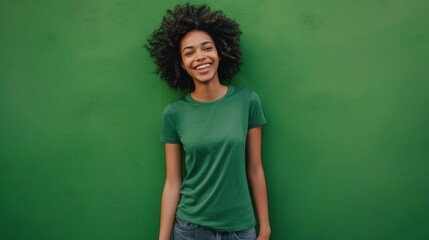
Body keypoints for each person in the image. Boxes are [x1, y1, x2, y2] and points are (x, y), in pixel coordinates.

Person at [145, 3, 271, 240]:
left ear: (220, 53)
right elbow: (173, 182)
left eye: (207, 48)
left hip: (240, 229)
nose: (200, 57)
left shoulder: (247, 102)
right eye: (189, 52)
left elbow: (255, 168)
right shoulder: (174, 113)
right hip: (191, 229)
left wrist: (265, 228)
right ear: (181, 64)